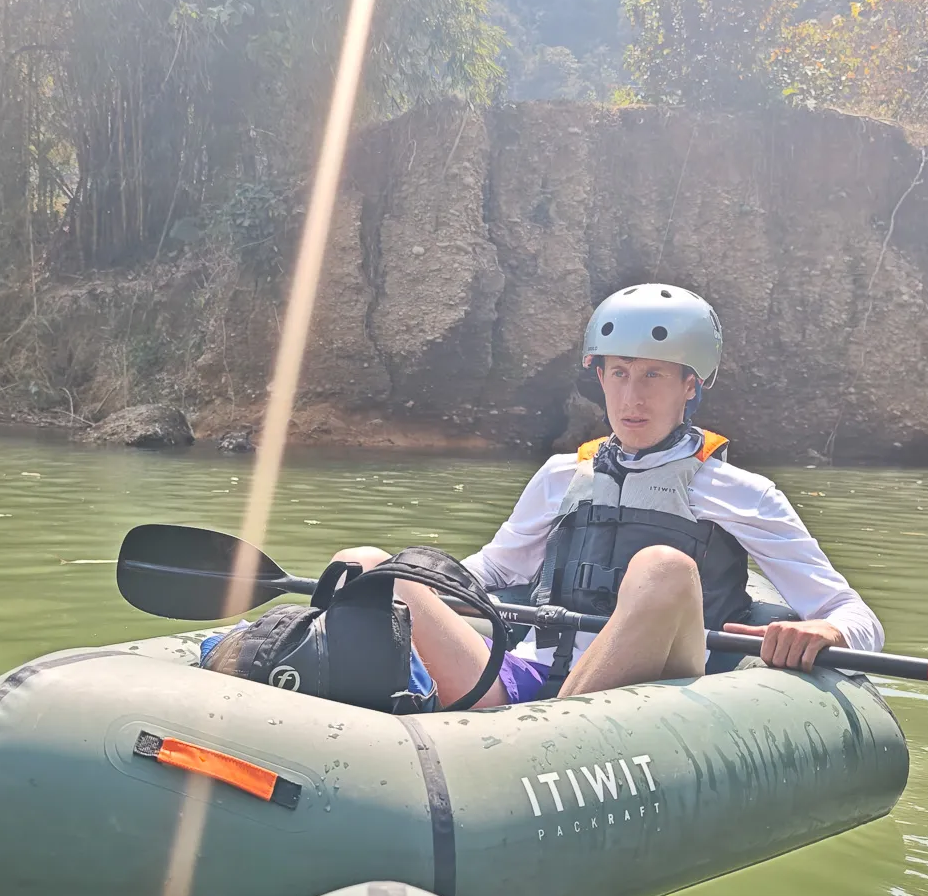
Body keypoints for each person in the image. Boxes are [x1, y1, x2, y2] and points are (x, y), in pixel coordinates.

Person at [329, 284, 883, 709]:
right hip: (528, 676)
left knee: (663, 568)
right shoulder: (560, 475)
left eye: (653, 376)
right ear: (599, 376)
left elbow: (856, 617)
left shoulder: (740, 492)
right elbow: (492, 571)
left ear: (691, 385)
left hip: (655, 693)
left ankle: (550, 736)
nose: (631, 397)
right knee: (369, 565)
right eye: (618, 373)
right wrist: (409, 585)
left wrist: (825, 630)